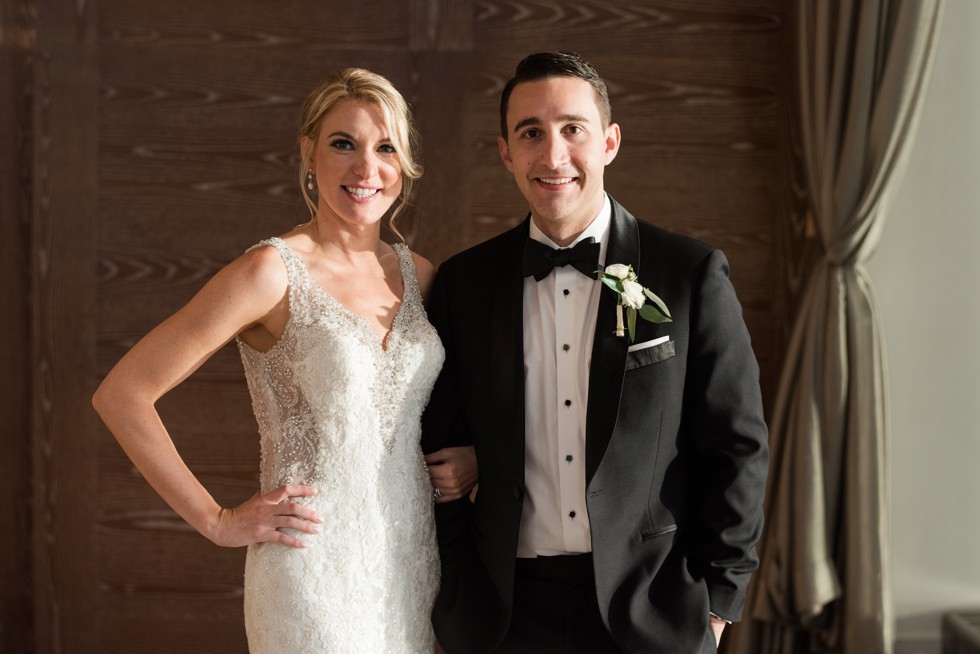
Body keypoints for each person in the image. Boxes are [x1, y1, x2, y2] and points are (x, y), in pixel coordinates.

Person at [93, 67, 476, 653]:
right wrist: (218, 521)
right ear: (308, 153)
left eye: (385, 148)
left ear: (405, 164)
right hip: (310, 571)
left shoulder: (420, 275)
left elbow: (446, 411)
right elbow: (123, 394)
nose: (365, 169)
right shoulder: (271, 272)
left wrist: (475, 459)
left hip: (412, 564)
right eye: (342, 144)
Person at [421, 52, 769, 654]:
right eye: (531, 133)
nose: (553, 155)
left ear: (609, 142)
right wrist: (457, 587)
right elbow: (442, 451)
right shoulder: (463, 285)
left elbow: (736, 444)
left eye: (572, 129)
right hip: (503, 615)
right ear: (506, 152)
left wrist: (718, 599)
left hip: (651, 607)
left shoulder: (689, 274)